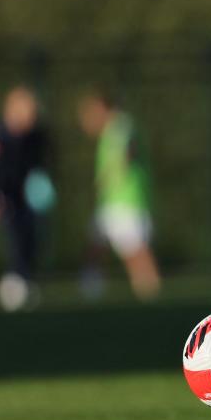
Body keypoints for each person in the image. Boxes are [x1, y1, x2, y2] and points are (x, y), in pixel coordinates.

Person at [77, 91, 160, 301]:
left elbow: (127, 152)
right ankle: (91, 289)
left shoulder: (121, 126)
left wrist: (113, 173)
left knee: (136, 252)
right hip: (111, 202)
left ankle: (151, 291)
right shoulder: (111, 130)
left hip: (127, 200)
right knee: (96, 244)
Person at [0, 86, 55, 312]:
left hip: (27, 196)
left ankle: (22, 278)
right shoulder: (2, 136)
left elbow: (41, 166)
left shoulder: (36, 137)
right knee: (15, 236)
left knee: (29, 237)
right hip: (6, 194)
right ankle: (17, 280)